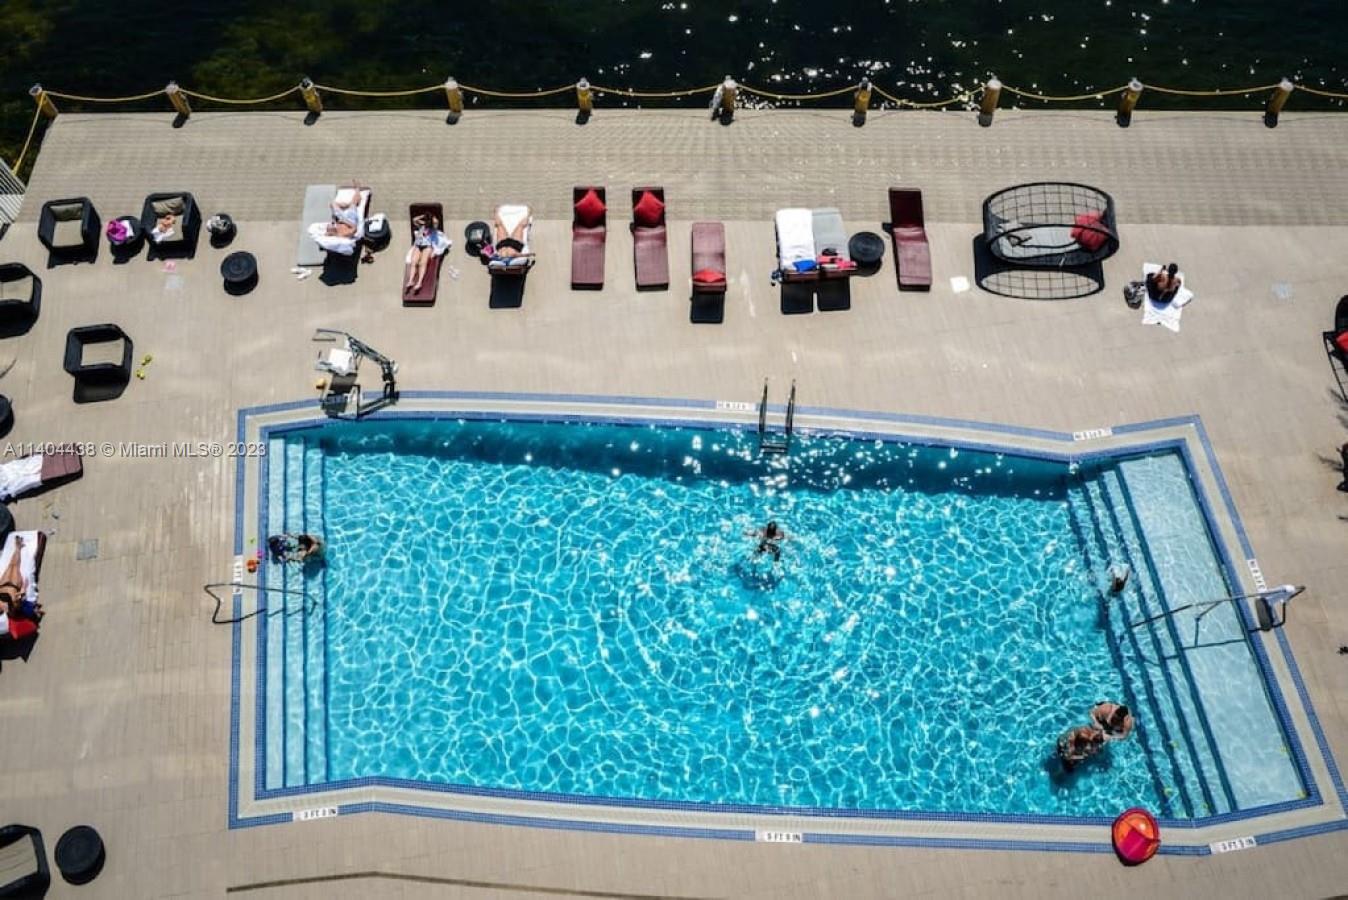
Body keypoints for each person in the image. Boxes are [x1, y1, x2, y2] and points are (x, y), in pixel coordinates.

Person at [406, 212, 444, 292]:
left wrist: (432, 217)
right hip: (418, 245)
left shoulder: (433, 228)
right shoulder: (421, 225)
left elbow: (436, 222)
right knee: (413, 262)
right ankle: (411, 281)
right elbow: (414, 220)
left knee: (422, 263)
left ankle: (419, 282)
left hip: (427, 246)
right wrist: (423, 216)